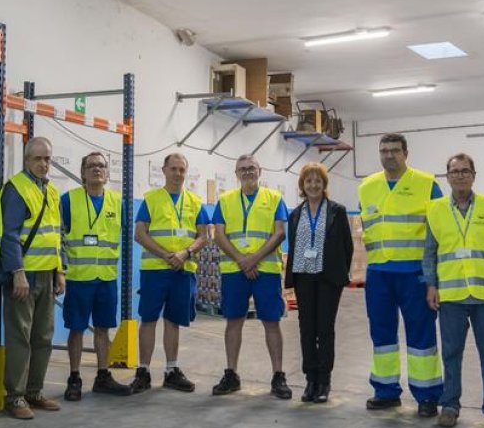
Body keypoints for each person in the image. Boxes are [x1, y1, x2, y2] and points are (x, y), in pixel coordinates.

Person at [423, 153, 484, 428]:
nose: (460, 175)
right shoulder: (435, 209)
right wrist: (431, 285)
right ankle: (450, 405)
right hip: (451, 296)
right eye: (454, 171)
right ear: (447, 177)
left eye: (465, 171)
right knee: (451, 354)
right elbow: (429, 253)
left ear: (474, 175)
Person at [359, 133, 443, 415]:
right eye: (384, 150)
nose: (389, 155)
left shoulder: (427, 185)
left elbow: (438, 234)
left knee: (421, 334)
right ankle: (385, 390)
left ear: (406, 153)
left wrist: (434, 279)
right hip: (379, 273)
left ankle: (428, 395)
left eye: (395, 150)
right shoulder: (367, 187)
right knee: (381, 334)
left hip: (415, 273)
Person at [211, 154, 292, 400]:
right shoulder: (224, 200)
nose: (247, 172)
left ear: (260, 171)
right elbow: (219, 235)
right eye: (242, 169)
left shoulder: (275, 198)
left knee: (271, 322)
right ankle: (231, 374)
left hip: (265, 271)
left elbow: (279, 234)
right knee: (233, 321)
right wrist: (241, 259)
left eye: (251, 168)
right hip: (235, 272)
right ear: (236, 174)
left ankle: (278, 375)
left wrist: (253, 259)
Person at [0, 137, 65, 419]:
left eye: (48, 159)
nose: (43, 164)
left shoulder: (51, 191)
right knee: (20, 337)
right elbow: (10, 234)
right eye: (38, 159)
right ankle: (14, 397)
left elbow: (56, 235)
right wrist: (18, 273)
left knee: (43, 336)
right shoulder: (16, 189)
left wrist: (60, 270)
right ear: (26, 160)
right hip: (24, 277)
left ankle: (34, 392)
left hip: (48, 275)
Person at [132, 152, 208, 393]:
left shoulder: (195, 202)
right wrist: (166, 255)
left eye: (182, 170)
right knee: (148, 320)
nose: (177, 174)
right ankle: (143, 371)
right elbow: (140, 233)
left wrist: (185, 253)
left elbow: (204, 235)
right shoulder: (151, 199)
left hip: (182, 271)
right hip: (155, 270)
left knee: (173, 320)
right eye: (173, 169)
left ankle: (171, 370)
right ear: (164, 171)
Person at [61, 152, 133, 400]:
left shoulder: (117, 202)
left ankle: (103, 376)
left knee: (103, 329)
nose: (96, 169)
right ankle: (74, 378)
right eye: (91, 166)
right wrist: (60, 270)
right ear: (82, 172)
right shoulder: (68, 201)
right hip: (79, 279)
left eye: (101, 166)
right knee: (77, 329)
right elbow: (57, 239)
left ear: (107, 172)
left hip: (106, 279)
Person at [285, 162, 353, 404]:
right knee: (306, 329)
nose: (313, 185)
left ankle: (324, 379)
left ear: (324, 185)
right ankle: (310, 379)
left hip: (328, 278)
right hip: (304, 276)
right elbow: (293, 246)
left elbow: (347, 246)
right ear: (302, 185)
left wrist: (340, 274)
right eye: (308, 181)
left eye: (317, 181)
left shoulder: (337, 211)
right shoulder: (295, 214)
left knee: (325, 329)